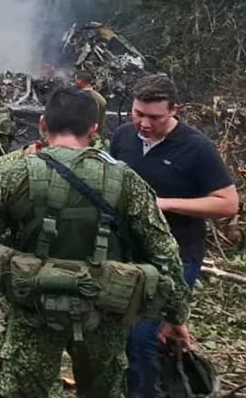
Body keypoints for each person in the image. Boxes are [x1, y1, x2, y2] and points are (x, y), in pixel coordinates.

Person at [0, 87, 194, 398]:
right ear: (94, 129)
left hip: (32, 305)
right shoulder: (126, 180)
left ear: (42, 124)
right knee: (103, 389)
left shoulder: (8, 172)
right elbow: (165, 253)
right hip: (104, 310)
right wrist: (176, 315)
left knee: (26, 390)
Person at [107, 75, 239, 397]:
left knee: (143, 339)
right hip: (126, 254)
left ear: (174, 110)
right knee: (120, 336)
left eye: (154, 117)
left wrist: (165, 204)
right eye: (138, 113)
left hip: (176, 256)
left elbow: (228, 203)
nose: (144, 123)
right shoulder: (123, 137)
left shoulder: (196, 147)